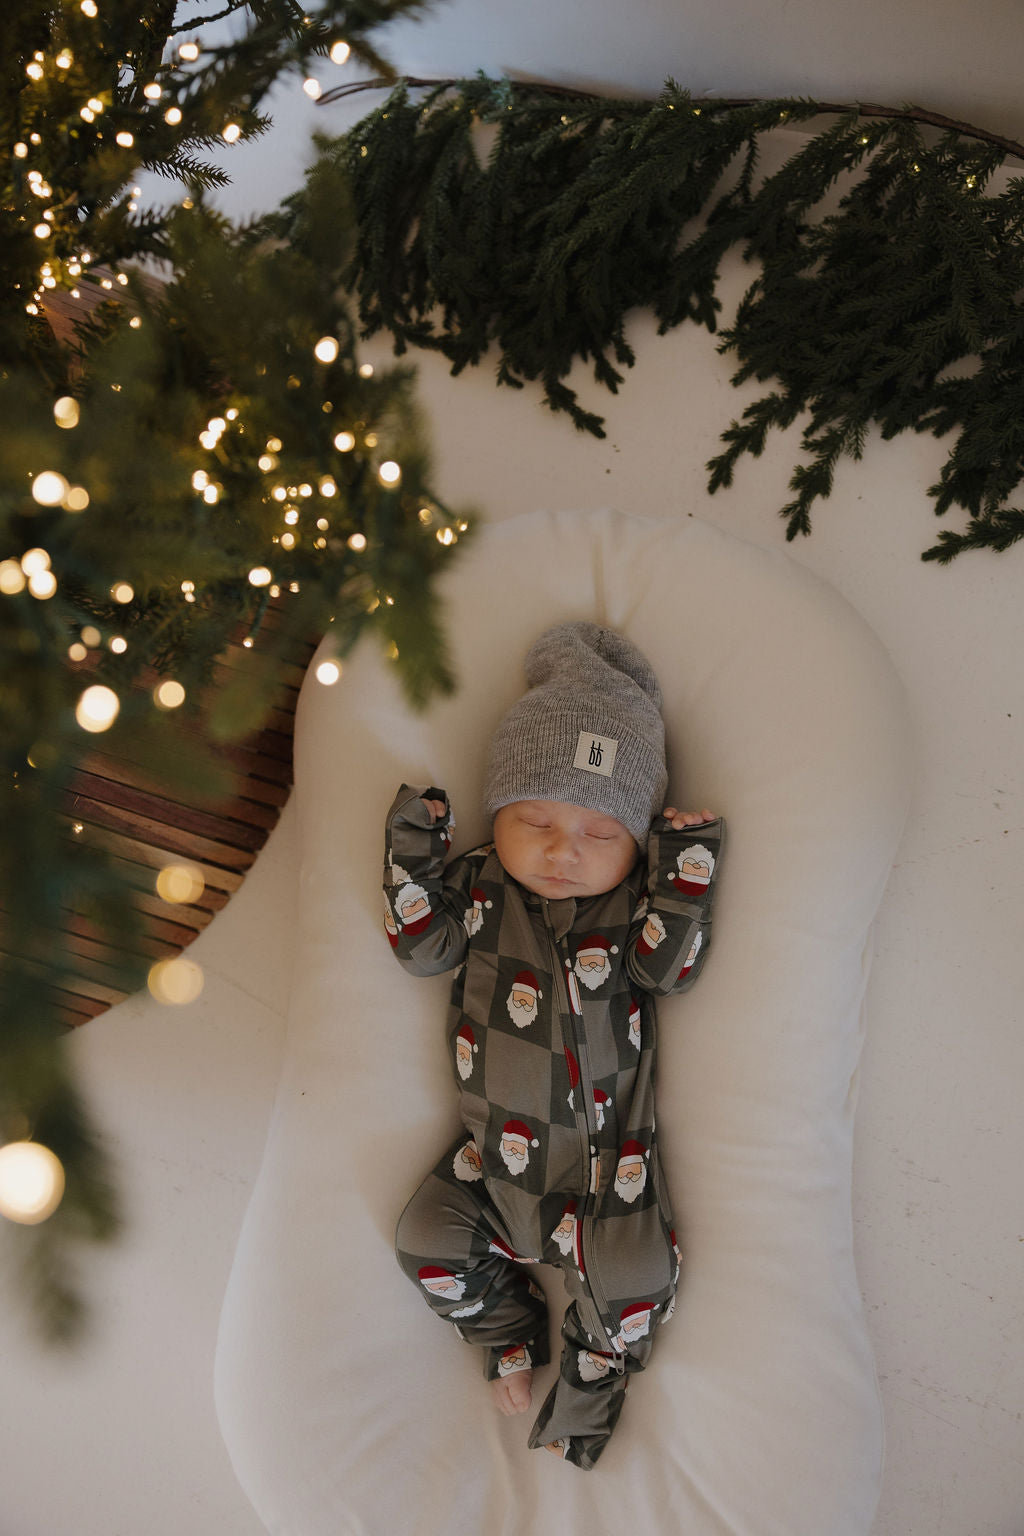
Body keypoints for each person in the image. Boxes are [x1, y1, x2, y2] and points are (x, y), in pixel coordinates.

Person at [384, 621, 724, 1470]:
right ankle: (506, 1331)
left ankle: (590, 1377)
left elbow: (674, 970)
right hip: (492, 1167)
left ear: (634, 843)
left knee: (638, 1272)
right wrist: (414, 853)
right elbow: (419, 949)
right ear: (498, 811)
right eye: (533, 817)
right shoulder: (478, 885)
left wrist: (684, 868)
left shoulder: (633, 906)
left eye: (602, 834)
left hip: (614, 1172)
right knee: (423, 1238)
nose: (562, 850)